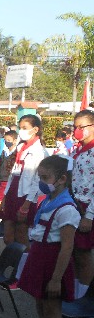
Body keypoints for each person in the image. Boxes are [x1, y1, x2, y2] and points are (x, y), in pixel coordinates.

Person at [18, 155, 80, 318]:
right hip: (39, 257)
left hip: (53, 262)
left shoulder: (67, 209)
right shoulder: (47, 201)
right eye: (40, 177)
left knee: (53, 311)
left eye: (46, 178)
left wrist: (56, 279)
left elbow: (67, 247)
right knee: (40, 307)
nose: (42, 182)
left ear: (62, 179)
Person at [0, 114, 48, 247]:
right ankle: (11, 257)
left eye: (25, 128)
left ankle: (23, 260)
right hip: (13, 190)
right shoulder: (20, 147)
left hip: (26, 195)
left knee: (21, 234)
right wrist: (5, 197)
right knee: (7, 234)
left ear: (35, 129)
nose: (21, 131)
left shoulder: (39, 151)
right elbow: (13, 173)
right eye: (20, 128)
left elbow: (36, 180)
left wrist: (26, 205)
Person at [71, 110, 94, 299]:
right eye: (75, 127)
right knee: (75, 252)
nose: (78, 130)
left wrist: (89, 215)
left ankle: (84, 296)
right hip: (75, 205)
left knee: (84, 253)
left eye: (82, 126)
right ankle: (76, 291)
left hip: (88, 208)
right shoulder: (79, 150)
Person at [0, 130, 18, 210]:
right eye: (5, 140)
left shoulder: (17, 153)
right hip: (2, 181)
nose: (7, 142)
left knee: (4, 204)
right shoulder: (4, 152)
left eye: (9, 140)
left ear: (15, 141)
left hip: (9, 181)